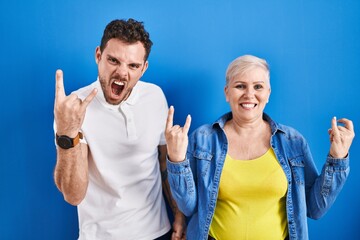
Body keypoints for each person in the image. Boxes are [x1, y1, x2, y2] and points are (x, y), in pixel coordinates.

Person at [165, 55, 355, 240]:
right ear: (227, 92)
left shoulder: (292, 142)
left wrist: (337, 158)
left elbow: (315, 208)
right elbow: (188, 207)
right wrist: (176, 159)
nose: (249, 94)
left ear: (268, 93)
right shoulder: (203, 139)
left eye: (258, 86)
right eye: (240, 86)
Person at [53, 19, 185, 240]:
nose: (122, 73)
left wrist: (179, 215)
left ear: (144, 68)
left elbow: (164, 163)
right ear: (98, 55)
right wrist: (67, 132)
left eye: (133, 66)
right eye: (113, 60)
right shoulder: (74, 108)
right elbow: (73, 195)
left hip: (157, 232)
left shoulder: (155, 97)